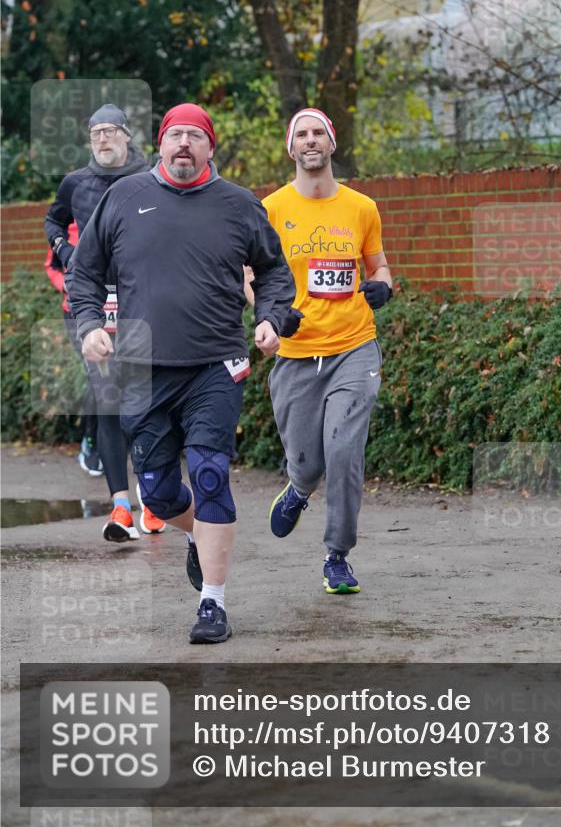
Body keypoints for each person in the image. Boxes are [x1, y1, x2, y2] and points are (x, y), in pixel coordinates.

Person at [68, 103, 295, 644]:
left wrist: (270, 317)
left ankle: (212, 602)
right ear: (161, 144)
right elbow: (84, 272)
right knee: (158, 493)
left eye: (196, 135)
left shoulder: (239, 204)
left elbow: (274, 272)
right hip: (142, 369)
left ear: (210, 147)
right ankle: (197, 533)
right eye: (176, 135)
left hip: (216, 363)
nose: (185, 144)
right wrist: (89, 325)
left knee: (211, 474)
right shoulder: (123, 198)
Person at [262, 108, 393, 594]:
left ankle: (337, 555)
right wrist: (272, 314)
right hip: (296, 352)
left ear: (332, 143)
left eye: (319, 132)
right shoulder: (271, 208)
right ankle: (298, 488)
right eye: (302, 134)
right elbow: (249, 277)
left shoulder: (362, 207)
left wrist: (383, 286)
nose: (311, 140)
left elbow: (379, 266)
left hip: (354, 347)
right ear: (291, 147)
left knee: (343, 451)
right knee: (309, 463)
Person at [44, 104, 164, 539]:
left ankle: (153, 499)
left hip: (142, 303)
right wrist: (65, 251)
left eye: (110, 130)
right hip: (92, 304)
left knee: (148, 401)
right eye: (95, 132)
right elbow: (53, 219)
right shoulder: (76, 182)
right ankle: (121, 507)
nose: (102, 138)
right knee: (108, 400)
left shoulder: (151, 177)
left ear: (127, 136)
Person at [44, 222, 103, 477]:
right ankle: (90, 442)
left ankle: (115, 440)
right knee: (96, 374)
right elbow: (51, 266)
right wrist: (65, 285)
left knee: (116, 375)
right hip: (75, 313)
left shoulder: (111, 219)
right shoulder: (66, 229)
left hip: (113, 312)